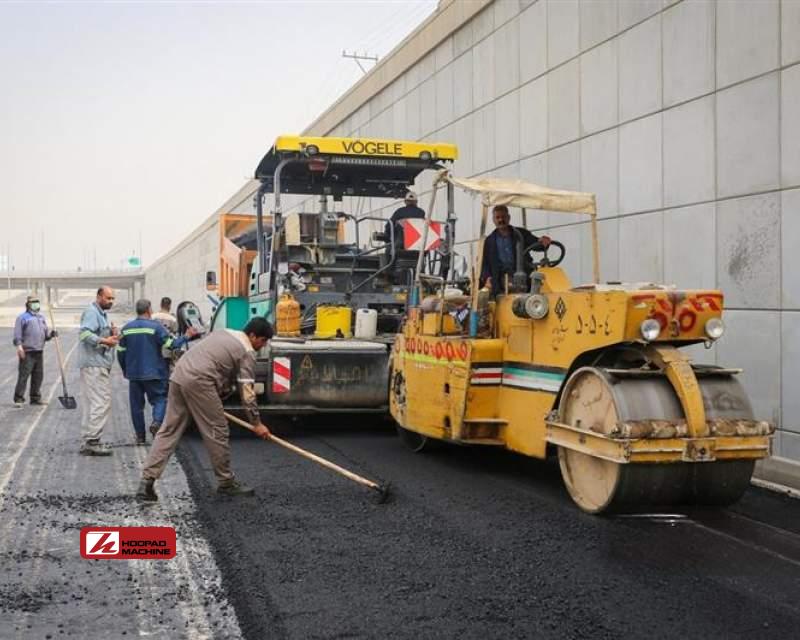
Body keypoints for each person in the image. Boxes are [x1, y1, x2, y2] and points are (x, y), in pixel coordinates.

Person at [136, 318, 273, 502]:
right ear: (253, 335)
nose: (262, 345)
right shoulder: (247, 351)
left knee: (169, 430)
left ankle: (146, 483)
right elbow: (247, 392)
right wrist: (256, 423)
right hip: (200, 381)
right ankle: (226, 482)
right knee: (217, 430)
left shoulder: (224, 332)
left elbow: (219, 369)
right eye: (263, 341)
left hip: (179, 375)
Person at [117, 299, 196, 446]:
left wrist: (125, 370)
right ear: (149, 310)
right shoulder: (156, 327)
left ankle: (140, 436)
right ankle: (157, 422)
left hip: (134, 374)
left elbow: (121, 352)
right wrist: (186, 336)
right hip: (155, 372)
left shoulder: (126, 328)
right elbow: (171, 345)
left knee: (136, 407)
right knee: (159, 399)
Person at [78, 286, 119, 456]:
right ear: (99, 296)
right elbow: (84, 334)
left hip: (96, 363)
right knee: (102, 401)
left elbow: (98, 333)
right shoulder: (92, 312)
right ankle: (92, 441)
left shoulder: (101, 314)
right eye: (108, 298)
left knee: (92, 402)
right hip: (94, 365)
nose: (111, 302)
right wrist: (104, 341)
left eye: (112, 299)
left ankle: (89, 439)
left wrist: (112, 333)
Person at [480, 205, 552, 295]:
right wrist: (487, 278)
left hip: (523, 276)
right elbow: (485, 263)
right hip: (501, 279)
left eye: (503, 217)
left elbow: (536, 244)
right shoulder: (489, 241)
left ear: (509, 217)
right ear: (493, 220)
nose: (500, 220)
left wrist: (543, 241)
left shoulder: (521, 233)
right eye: (497, 217)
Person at [12, 295, 56, 407]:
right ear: (28, 304)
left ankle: (35, 398)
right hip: (27, 352)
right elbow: (17, 335)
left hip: (39, 351)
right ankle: (19, 398)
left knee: (38, 376)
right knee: (24, 375)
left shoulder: (41, 318)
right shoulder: (22, 318)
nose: (36, 304)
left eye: (37, 302)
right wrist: (19, 347)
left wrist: (51, 335)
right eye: (33, 302)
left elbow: (45, 336)